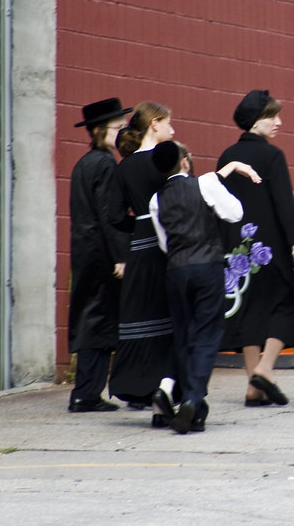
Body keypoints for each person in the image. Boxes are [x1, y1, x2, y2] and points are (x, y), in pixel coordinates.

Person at [148, 141, 261, 433]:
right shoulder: (206, 183)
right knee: (208, 335)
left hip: (176, 269)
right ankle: (193, 398)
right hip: (207, 265)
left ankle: (189, 402)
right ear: (184, 162)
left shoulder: (155, 200)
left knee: (184, 335)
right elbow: (235, 213)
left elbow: (164, 243)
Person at [217, 89, 294, 407]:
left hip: (236, 251)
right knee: (288, 305)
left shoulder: (227, 156)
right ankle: (265, 371)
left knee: (249, 311)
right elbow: (284, 204)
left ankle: (252, 388)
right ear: (257, 121)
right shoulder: (273, 156)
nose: (279, 122)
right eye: (273, 116)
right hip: (269, 248)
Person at [107, 100, 177, 421]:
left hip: (139, 248)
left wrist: (137, 227)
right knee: (168, 315)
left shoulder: (124, 167)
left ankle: (138, 385)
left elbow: (114, 215)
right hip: (165, 244)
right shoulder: (164, 162)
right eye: (167, 123)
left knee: (141, 315)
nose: (170, 129)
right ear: (154, 125)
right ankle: (167, 386)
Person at [66, 98, 132, 412]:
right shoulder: (106, 164)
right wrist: (121, 256)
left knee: (90, 319)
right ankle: (87, 394)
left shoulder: (84, 163)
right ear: (97, 130)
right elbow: (110, 215)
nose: (122, 134)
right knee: (100, 322)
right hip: (102, 253)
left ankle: (86, 391)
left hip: (85, 250)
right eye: (117, 128)